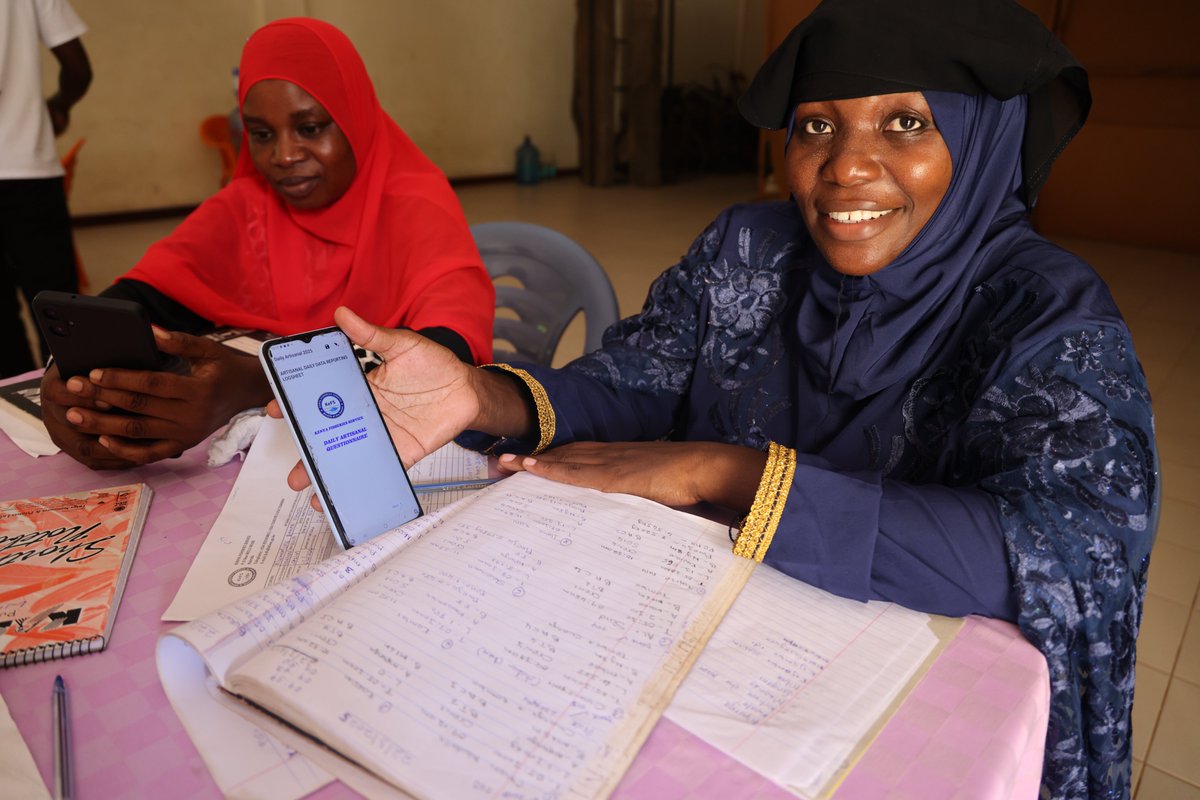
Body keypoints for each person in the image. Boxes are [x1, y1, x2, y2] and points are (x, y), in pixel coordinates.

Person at [281, 1, 1159, 796]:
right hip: (680, 651)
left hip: (890, 701)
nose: (846, 166)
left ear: (982, 143)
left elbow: (1071, 551)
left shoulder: (1047, 317)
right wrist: (478, 392)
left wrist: (721, 471)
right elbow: (635, 379)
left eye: (905, 123)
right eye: (817, 124)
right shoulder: (750, 250)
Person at [40, 17, 494, 470]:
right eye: (261, 134)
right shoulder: (250, 204)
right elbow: (138, 299)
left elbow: (443, 356)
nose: (284, 156)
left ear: (355, 117)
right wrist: (74, 379)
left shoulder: (417, 206)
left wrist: (262, 383)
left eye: (311, 128)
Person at [0, 0, 91, 377]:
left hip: (29, 170)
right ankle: (73, 402)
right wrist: (58, 104)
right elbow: (77, 68)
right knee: (57, 312)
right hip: (29, 168)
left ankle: (10, 416)